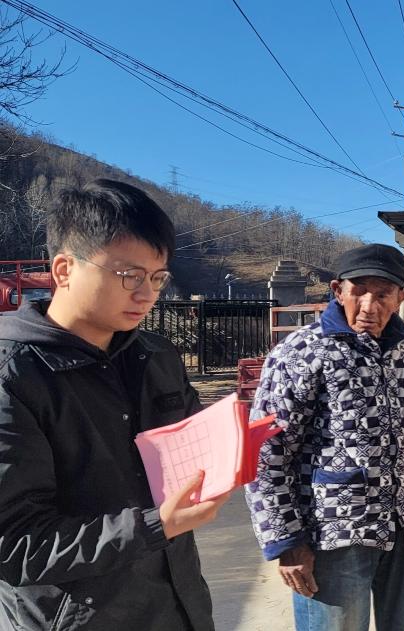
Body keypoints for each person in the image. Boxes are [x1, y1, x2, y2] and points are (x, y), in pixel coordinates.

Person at [0, 179, 228, 630]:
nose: (147, 294)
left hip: (180, 608)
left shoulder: (157, 356)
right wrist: (155, 525)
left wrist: (232, 450)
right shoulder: (15, 376)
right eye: (129, 276)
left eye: (158, 278)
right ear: (64, 269)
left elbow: (190, 454)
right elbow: (14, 544)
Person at [245, 243, 404, 631]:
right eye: (359, 291)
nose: (369, 305)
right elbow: (266, 451)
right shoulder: (302, 352)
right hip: (335, 533)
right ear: (338, 290)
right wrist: (285, 540)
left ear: (402, 296)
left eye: (383, 293)